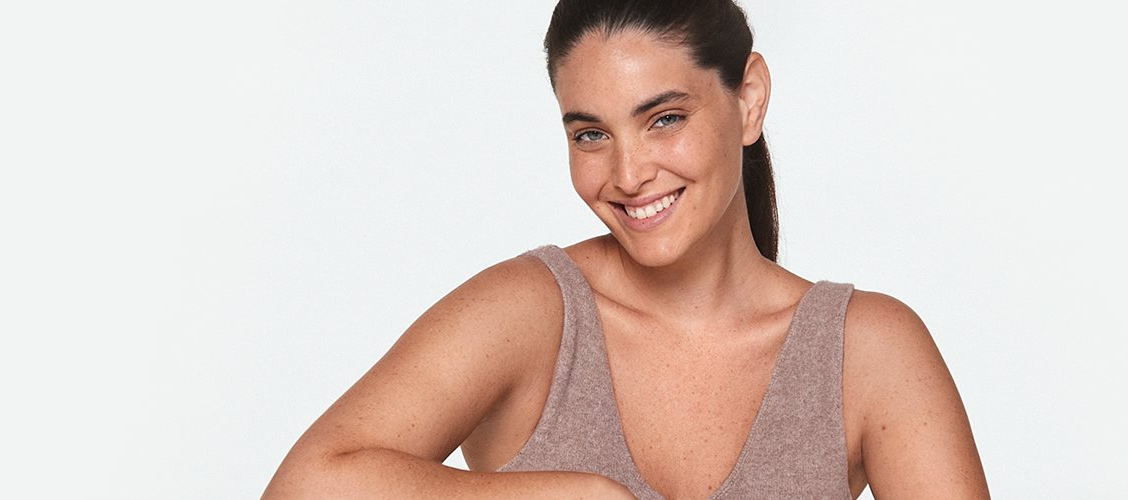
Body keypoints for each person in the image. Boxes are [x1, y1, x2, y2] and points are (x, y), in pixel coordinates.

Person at [264, 0, 989, 498]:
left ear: (749, 99)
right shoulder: (533, 313)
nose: (628, 174)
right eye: (590, 134)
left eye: (664, 118)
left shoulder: (866, 352)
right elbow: (307, 484)